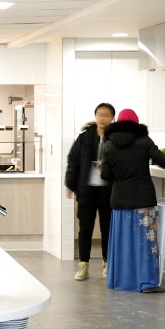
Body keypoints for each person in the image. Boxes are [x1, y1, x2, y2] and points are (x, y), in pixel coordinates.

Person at [101, 108, 165, 293]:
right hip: (142, 199)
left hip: (119, 200)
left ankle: (118, 280)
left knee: (122, 242)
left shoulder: (108, 145)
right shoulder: (144, 141)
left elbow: (105, 175)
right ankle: (146, 283)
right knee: (144, 242)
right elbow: (164, 162)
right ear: (137, 124)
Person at [64, 102, 116, 281]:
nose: (102, 118)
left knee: (107, 228)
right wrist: (70, 185)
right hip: (86, 190)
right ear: (95, 116)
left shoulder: (116, 138)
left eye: (106, 115)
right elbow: (73, 161)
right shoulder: (84, 138)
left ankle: (107, 263)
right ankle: (83, 265)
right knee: (85, 229)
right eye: (100, 114)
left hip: (108, 190)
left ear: (112, 118)